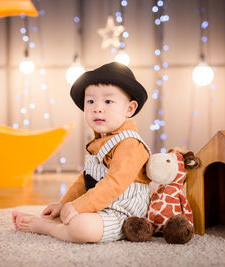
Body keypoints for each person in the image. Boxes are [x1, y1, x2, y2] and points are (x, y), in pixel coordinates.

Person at [12, 62, 151, 243]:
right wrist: (64, 203)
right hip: (101, 205)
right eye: (91, 101)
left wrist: (79, 206)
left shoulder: (131, 143)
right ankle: (51, 221)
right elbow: (86, 178)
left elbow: (115, 183)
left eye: (108, 101)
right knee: (63, 213)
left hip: (124, 212)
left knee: (81, 227)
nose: (97, 107)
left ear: (129, 109)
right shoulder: (100, 141)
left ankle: (49, 228)